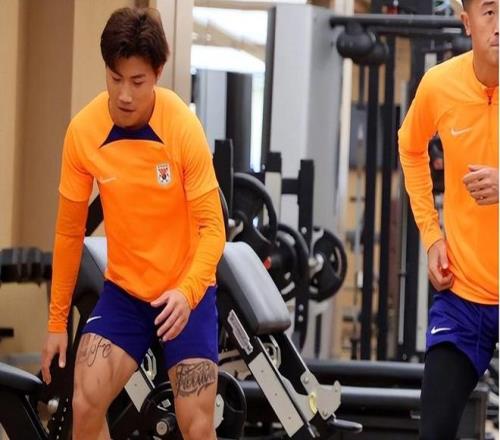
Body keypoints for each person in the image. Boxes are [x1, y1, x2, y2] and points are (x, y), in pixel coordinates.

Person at [40, 7, 225, 440]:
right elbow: (69, 232)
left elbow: (213, 228)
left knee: (196, 423)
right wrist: (55, 323)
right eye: (115, 77)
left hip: (186, 291)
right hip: (126, 291)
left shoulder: (182, 127)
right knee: (85, 401)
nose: (124, 94)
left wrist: (187, 292)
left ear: (157, 73)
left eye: (137, 81)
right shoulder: (84, 133)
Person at [399, 0, 498, 438]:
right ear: (467, 22)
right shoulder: (439, 85)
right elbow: (410, 148)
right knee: (434, 429)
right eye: (490, 12)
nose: (499, 25)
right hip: (464, 294)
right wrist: (431, 235)